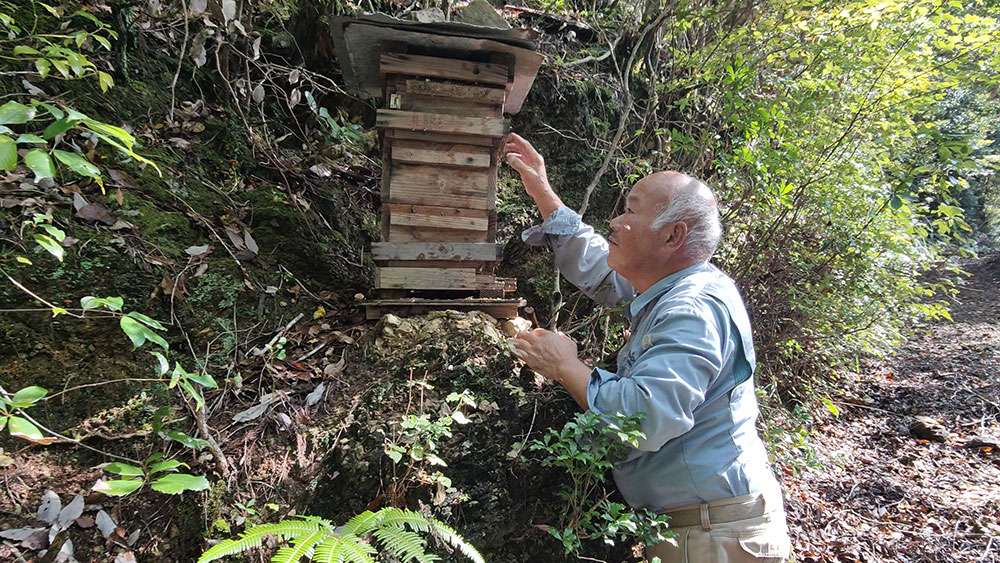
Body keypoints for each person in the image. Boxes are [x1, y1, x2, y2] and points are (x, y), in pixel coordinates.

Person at [504, 132, 791, 563]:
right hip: (704, 528)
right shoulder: (674, 283)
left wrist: (567, 367)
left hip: (715, 539)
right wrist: (543, 193)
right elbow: (603, 270)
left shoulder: (691, 309)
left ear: (673, 236)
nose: (615, 221)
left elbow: (647, 419)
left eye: (631, 210)